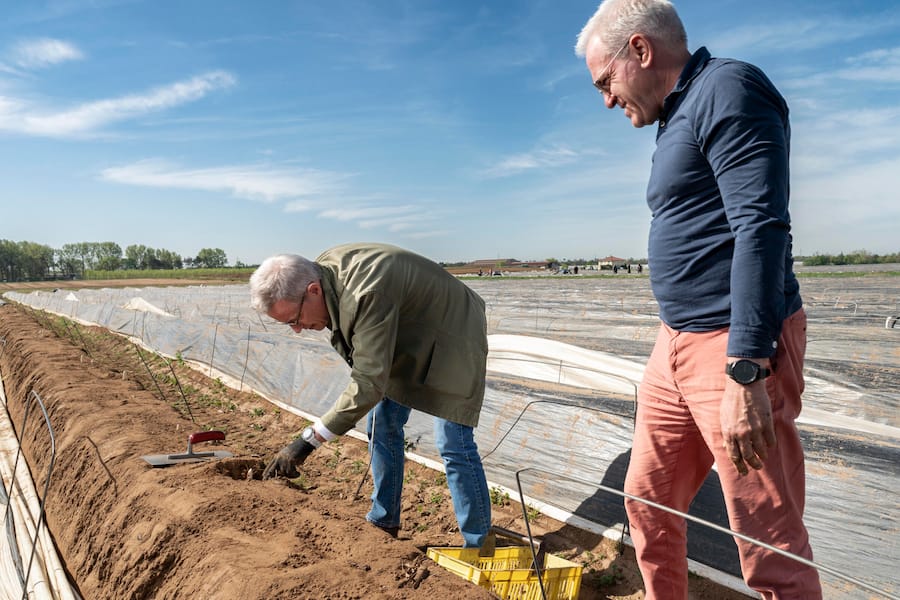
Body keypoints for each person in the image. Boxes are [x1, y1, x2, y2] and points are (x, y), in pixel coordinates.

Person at [575, 1, 822, 598]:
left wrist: (746, 369)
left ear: (640, 49)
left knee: (767, 539)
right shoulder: (677, 112)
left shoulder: (728, 90)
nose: (607, 99)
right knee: (648, 501)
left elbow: (760, 226)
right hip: (676, 343)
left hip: (730, 348)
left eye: (606, 81)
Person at [249, 243, 492, 549]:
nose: (297, 330)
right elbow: (370, 365)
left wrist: (308, 441)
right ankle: (383, 520)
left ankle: (479, 544)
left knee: (452, 439)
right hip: (406, 330)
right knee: (382, 423)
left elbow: (368, 382)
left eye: (294, 319)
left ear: (313, 290)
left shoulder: (364, 293)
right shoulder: (323, 275)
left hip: (455, 328)